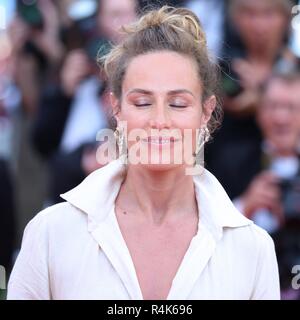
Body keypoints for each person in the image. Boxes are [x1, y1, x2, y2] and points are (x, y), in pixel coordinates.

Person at [7, 6, 280, 300]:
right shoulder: (51, 234)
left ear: (206, 112)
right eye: (141, 103)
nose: (159, 120)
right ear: (116, 108)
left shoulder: (251, 249)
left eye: (177, 103)